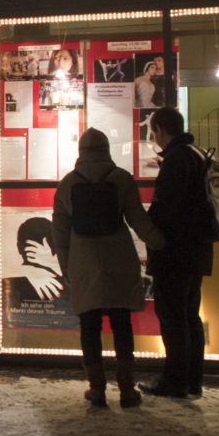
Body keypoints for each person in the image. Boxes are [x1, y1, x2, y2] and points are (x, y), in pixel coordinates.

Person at [52, 128, 165, 408]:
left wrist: (66, 266)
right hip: (118, 257)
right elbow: (138, 218)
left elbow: (60, 232)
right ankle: (127, 389)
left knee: (89, 325)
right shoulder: (120, 179)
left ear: (81, 152)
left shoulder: (67, 184)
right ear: (106, 149)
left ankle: (97, 388)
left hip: (83, 259)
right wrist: (161, 242)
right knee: (121, 323)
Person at [143, 107, 214, 399]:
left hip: (175, 251)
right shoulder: (197, 154)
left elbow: (166, 208)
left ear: (160, 128)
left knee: (172, 317)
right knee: (189, 315)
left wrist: (147, 227)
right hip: (196, 250)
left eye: (152, 131)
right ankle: (192, 380)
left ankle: (173, 381)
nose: (152, 137)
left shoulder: (176, 159)